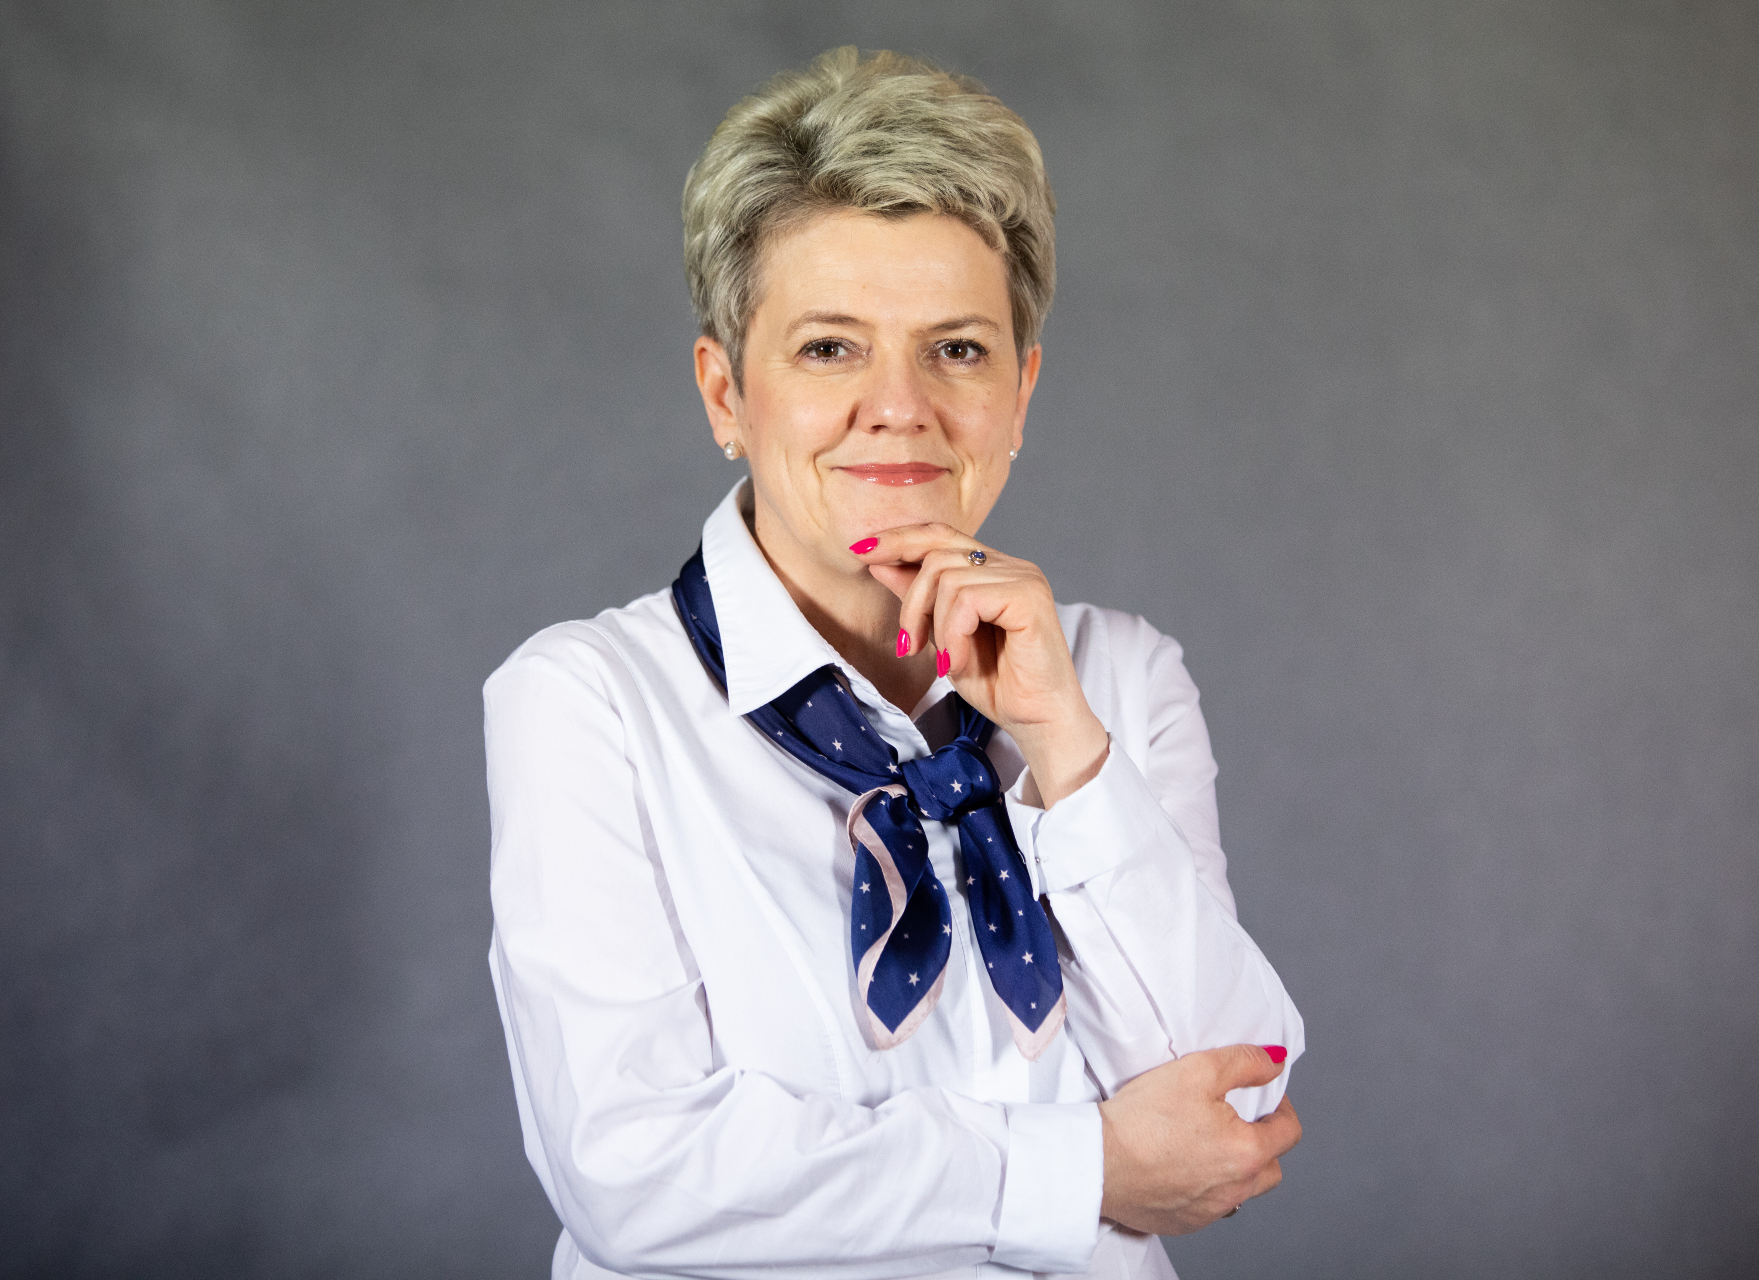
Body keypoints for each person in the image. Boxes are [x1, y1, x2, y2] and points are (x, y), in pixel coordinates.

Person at [485, 47, 1305, 1280]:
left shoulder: (1121, 678)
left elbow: (1230, 1117)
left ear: (1022, 393)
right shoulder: (586, 701)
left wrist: (1065, 748)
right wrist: (1086, 1165)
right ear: (726, 392)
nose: (901, 405)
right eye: (829, 347)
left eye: (958, 349)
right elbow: (638, 1171)